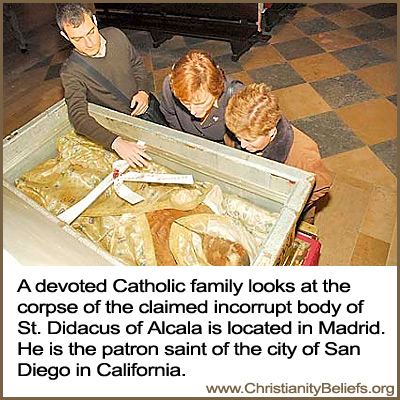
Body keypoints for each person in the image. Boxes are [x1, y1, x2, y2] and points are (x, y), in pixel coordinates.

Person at [57, 3, 166, 168]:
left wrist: (143, 90)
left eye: (91, 32)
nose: (89, 43)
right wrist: (116, 143)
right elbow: (78, 116)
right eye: (77, 39)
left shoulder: (116, 35)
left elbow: (137, 64)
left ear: (94, 20)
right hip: (125, 127)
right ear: (65, 37)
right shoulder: (71, 72)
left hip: (149, 106)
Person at [224, 83, 332, 223]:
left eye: (249, 140)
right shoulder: (240, 130)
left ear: (271, 131)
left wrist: (289, 205)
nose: (243, 145)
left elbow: (322, 185)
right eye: (238, 137)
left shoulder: (302, 155)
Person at [160, 49, 244, 144]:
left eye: (200, 103)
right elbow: (169, 113)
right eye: (186, 103)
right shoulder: (170, 85)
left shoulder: (236, 95)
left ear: (217, 89)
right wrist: (182, 136)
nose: (193, 112)